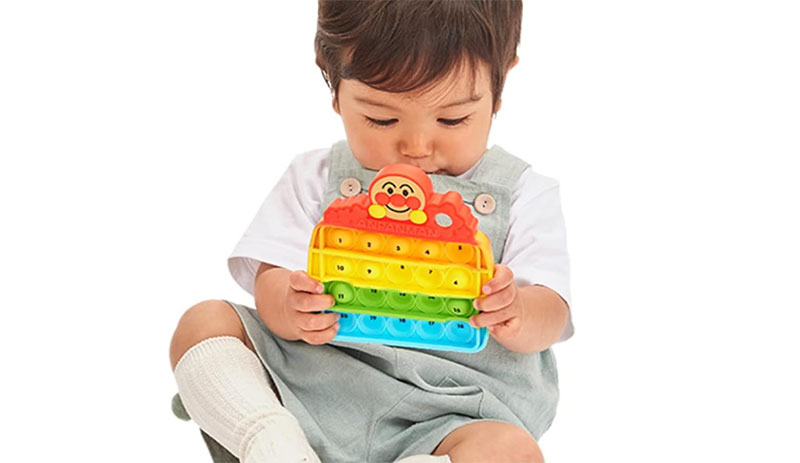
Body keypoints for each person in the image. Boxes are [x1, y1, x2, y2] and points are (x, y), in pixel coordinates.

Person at [169, 1, 572, 462]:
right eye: (381, 119)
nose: (416, 147)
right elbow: (271, 280)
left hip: (453, 408)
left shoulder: (522, 192)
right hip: (316, 384)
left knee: (509, 450)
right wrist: (291, 306)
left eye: (452, 119)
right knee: (204, 322)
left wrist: (517, 310)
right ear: (333, 83)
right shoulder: (315, 177)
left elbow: (551, 311)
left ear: (500, 86)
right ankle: (269, 440)